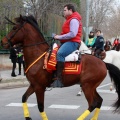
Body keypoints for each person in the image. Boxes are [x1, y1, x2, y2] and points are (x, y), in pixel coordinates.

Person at [53, 4, 82, 87]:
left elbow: (73, 34)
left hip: (73, 42)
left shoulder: (74, 20)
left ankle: (59, 79)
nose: (63, 12)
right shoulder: (69, 19)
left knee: (60, 54)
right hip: (67, 41)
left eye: (65, 10)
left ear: (70, 10)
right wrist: (58, 36)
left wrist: (59, 37)